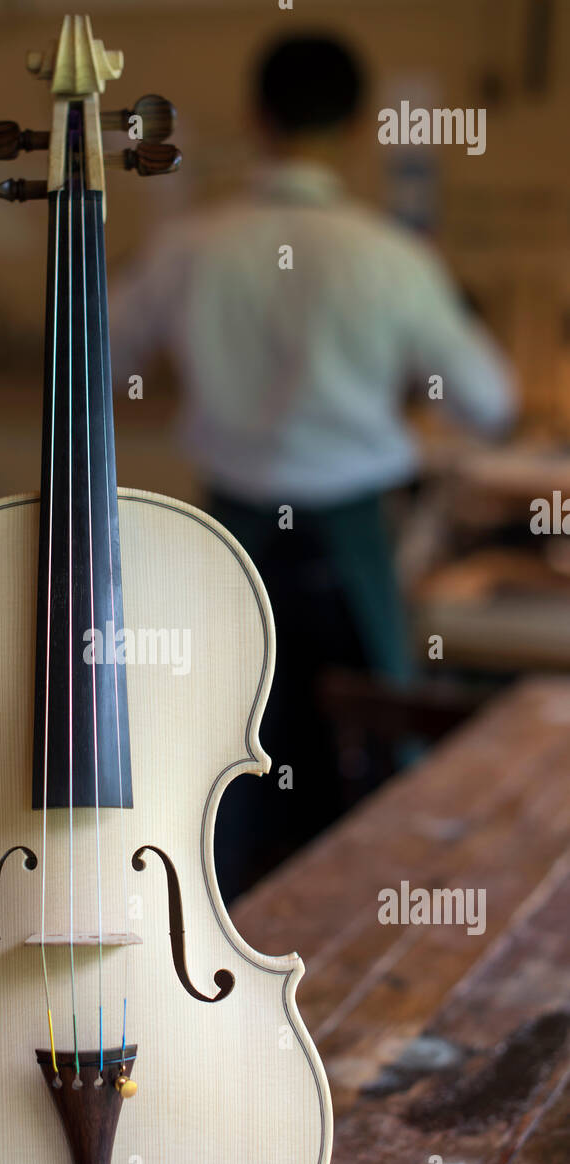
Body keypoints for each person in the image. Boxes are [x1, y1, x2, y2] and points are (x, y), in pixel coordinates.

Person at [109, 33, 517, 900]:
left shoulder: (193, 246)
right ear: (359, 125)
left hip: (227, 537)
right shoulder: (390, 256)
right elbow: (488, 401)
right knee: (368, 771)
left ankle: (214, 950)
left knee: (217, 763)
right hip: (348, 536)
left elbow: (91, 360)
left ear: (256, 118)